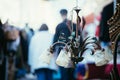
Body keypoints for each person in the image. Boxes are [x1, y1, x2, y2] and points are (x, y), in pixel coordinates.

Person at [53, 9, 75, 80]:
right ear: (66, 14)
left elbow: (55, 40)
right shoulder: (73, 25)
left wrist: (52, 51)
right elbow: (79, 38)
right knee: (71, 72)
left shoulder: (59, 26)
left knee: (64, 73)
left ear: (61, 15)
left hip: (62, 51)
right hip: (73, 51)